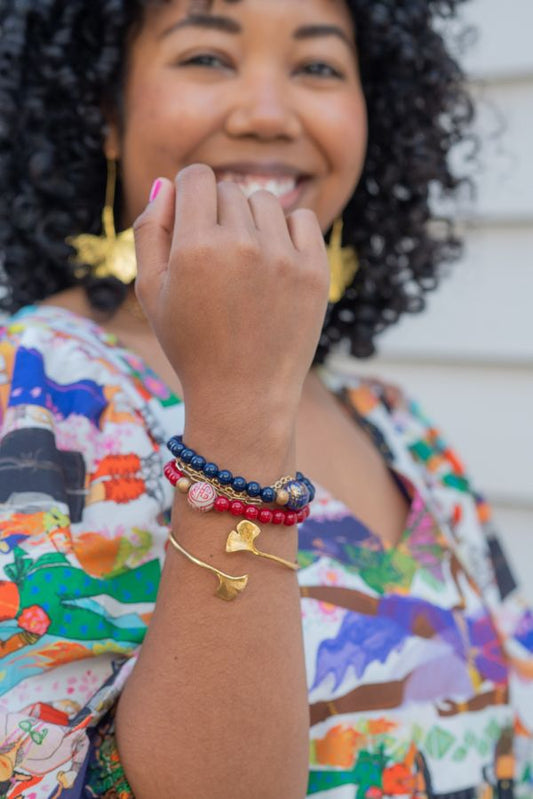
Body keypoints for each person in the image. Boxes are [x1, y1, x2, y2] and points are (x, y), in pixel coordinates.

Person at [0, 0, 531, 797]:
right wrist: (238, 407)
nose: (267, 113)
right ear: (104, 113)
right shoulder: (32, 390)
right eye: (207, 57)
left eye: (317, 66)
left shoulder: (395, 425)